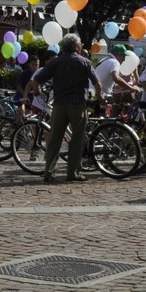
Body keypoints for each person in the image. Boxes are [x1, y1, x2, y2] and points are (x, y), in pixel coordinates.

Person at [22, 34, 102, 183]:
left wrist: (37, 91)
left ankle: (49, 172)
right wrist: (100, 97)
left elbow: (36, 80)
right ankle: (73, 173)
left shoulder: (55, 62)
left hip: (59, 104)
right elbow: (97, 83)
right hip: (78, 105)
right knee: (77, 139)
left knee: (54, 140)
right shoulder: (84, 62)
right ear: (77, 47)